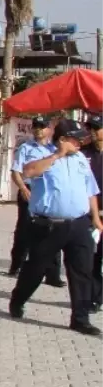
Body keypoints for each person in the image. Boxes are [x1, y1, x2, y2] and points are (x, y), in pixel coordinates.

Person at [8, 119, 102, 336]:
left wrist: (95, 218)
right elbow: (28, 172)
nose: (80, 142)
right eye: (75, 139)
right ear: (62, 139)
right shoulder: (45, 157)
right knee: (36, 269)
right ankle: (18, 298)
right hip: (49, 226)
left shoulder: (80, 159)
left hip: (79, 225)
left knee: (82, 271)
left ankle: (80, 318)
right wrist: (57, 155)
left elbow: (91, 191)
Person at [8, 117, 63, 285]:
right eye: (36, 127)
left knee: (54, 230)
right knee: (25, 229)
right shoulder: (25, 148)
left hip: (49, 192)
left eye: (42, 126)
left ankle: (53, 274)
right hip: (30, 191)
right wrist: (23, 189)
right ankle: (17, 265)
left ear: (49, 129)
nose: (39, 130)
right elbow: (16, 171)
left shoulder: (55, 150)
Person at [83, 116, 103, 313]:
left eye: (98, 128)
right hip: (91, 215)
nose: (94, 132)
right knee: (93, 258)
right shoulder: (84, 154)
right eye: (91, 129)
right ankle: (94, 298)